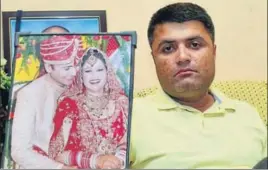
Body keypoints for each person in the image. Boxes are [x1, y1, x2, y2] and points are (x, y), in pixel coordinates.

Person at [130, 2, 267, 169]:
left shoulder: (247, 113)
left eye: (194, 45)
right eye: (167, 48)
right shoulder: (129, 117)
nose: (182, 57)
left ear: (213, 52)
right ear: (154, 59)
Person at [46, 47, 128, 169]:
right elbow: (56, 153)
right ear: (80, 75)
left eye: (99, 70)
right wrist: (95, 161)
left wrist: (118, 160)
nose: (94, 76)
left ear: (107, 72)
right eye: (88, 71)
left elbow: (128, 142)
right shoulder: (69, 105)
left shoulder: (121, 102)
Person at [11, 34, 83, 169]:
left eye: (76, 65)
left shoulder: (81, 86)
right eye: (67, 68)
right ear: (49, 67)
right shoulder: (29, 94)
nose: (73, 72)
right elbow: (19, 151)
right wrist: (60, 168)